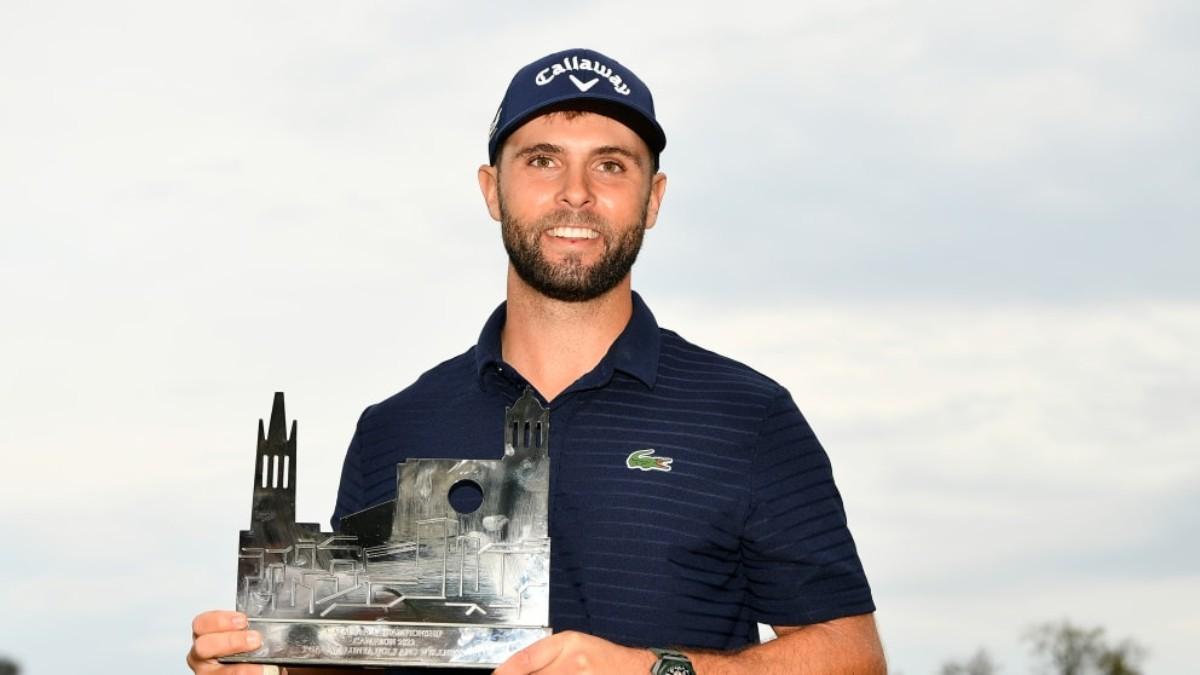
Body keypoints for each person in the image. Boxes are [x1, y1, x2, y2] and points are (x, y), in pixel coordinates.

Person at [188, 48, 886, 675]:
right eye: (543, 160)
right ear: (492, 189)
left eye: (610, 164)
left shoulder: (748, 417)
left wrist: (653, 671)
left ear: (654, 199)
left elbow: (854, 658)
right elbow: (359, 654)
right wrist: (274, 669)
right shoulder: (392, 430)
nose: (575, 193)